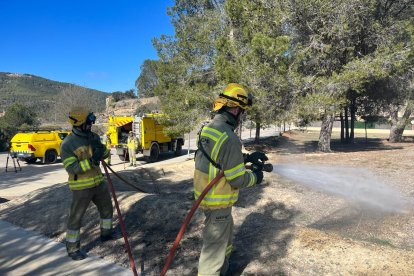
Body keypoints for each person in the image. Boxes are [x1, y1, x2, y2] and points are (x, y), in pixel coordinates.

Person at [194, 83, 268, 276]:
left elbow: (218, 158)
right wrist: (256, 177)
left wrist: (246, 158)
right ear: (235, 109)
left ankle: (224, 269)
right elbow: (237, 179)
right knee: (212, 255)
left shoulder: (208, 129)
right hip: (217, 203)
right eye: (242, 112)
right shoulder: (229, 138)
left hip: (206, 198)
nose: (242, 117)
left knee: (223, 243)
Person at [60, 107, 114, 261]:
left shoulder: (93, 137)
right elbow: (72, 168)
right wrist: (91, 161)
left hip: (99, 183)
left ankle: (106, 234)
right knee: (76, 218)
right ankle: (72, 248)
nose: (91, 124)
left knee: (107, 209)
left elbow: (104, 153)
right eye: (89, 122)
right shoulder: (68, 144)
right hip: (81, 187)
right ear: (79, 123)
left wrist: (102, 150)